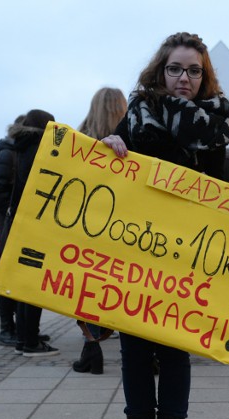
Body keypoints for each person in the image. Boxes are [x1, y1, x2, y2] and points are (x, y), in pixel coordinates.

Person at [102, 32, 229, 419]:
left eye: (194, 70)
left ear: (205, 76)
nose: (184, 78)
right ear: (160, 71)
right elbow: (110, 171)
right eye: (176, 69)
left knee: (175, 349)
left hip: (185, 255)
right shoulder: (138, 114)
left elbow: (225, 193)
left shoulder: (216, 123)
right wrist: (110, 146)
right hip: (135, 249)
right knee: (134, 351)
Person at [71, 87, 128, 375]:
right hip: (125, 229)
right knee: (128, 289)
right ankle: (149, 354)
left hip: (88, 227)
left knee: (88, 290)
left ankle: (91, 350)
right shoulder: (131, 140)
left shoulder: (80, 141)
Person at [0, 115, 52, 348]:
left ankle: (22, 331)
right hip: (13, 225)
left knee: (22, 280)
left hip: (15, 224)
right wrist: (16, 215)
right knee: (12, 280)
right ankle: (8, 330)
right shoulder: (8, 155)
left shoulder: (18, 152)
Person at [5, 109, 59, 357]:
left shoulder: (19, 147)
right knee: (33, 286)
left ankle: (23, 338)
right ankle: (30, 341)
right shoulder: (40, 148)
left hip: (20, 223)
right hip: (36, 226)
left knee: (23, 285)